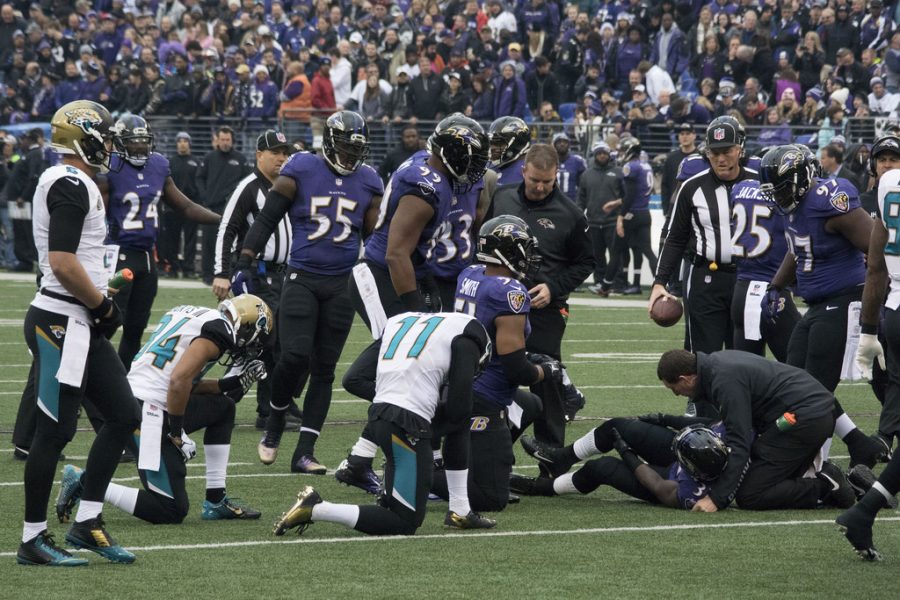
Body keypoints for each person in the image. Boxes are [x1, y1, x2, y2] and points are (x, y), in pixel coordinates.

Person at [16, 101, 140, 567]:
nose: (110, 144)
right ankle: (32, 538)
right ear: (82, 136)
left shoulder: (71, 180)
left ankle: (87, 521)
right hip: (60, 320)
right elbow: (62, 262)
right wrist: (102, 303)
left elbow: (74, 261)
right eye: (104, 136)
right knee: (55, 431)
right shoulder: (69, 181)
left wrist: (97, 297)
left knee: (122, 414)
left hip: (75, 318)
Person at [338, 115, 490, 492]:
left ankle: (360, 458)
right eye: (470, 159)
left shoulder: (435, 173)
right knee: (397, 368)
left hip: (409, 274)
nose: (475, 169)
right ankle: (403, 445)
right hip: (378, 275)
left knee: (419, 369)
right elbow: (395, 254)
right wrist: (414, 315)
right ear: (451, 153)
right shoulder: (426, 188)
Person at [233, 112, 383, 474]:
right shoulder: (300, 167)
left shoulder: (369, 180)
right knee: (295, 356)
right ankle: (273, 424)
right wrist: (245, 260)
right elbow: (268, 218)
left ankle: (305, 451)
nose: (351, 156)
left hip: (341, 283)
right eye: (346, 147)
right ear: (330, 143)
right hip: (302, 277)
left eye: (356, 149)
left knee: (325, 370)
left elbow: (373, 236)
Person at [54, 296, 271, 526]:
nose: (252, 344)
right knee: (170, 509)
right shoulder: (220, 330)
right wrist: (176, 434)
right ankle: (86, 482)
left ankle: (215, 500)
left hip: (140, 397)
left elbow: (183, 380)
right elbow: (178, 382)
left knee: (223, 407)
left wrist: (231, 384)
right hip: (146, 411)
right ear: (246, 324)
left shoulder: (194, 314)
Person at [271, 311, 493, 536]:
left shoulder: (402, 321)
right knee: (404, 522)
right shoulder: (471, 339)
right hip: (406, 424)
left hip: (379, 416)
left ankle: (460, 510)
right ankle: (317, 509)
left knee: (394, 507)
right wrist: (423, 415)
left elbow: (354, 378)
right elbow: (459, 409)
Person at [761, 145, 890, 467]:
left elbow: (878, 245)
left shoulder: (828, 199)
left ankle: (814, 465)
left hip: (844, 301)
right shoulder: (797, 205)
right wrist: (776, 286)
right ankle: (859, 444)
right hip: (817, 305)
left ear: (802, 178)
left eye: (781, 189)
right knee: (792, 382)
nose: (777, 197)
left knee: (812, 390)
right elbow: (799, 248)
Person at [431, 215, 550, 511]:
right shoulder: (508, 292)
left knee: (530, 405)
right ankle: (416, 473)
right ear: (507, 250)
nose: (530, 255)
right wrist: (546, 372)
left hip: (459, 380)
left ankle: (477, 461)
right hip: (484, 395)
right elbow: (515, 368)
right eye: (524, 248)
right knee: (490, 499)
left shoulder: (471, 273)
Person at [656, 349, 854, 511]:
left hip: (803, 420)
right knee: (757, 460)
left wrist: (716, 498)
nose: (677, 394)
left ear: (686, 379)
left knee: (750, 495)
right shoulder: (716, 364)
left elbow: (739, 441)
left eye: (674, 388)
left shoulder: (723, 381)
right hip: (805, 413)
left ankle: (825, 486)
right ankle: (833, 478)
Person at [489, 144, 594, 446]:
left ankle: (551, 455)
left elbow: (587, 262)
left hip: (544, 306)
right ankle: (488, 445)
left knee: (547, 377)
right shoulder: (502, 196)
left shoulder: (570, 214)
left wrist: (554, 288)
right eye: (535, 179)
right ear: (523, 170)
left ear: (556, 176)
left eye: (547, 181)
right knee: (491, 370)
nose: (540, 187)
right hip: (499, 301)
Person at [102, 115, 221, 367]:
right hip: (118, 254)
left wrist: (224, 220)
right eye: (133, 142)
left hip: (146, 258)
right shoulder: (109, 168)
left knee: (136, 328)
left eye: (144, 142)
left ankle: (123, 384)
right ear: (121, 144)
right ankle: (87, 384)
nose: (140, 148)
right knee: (106, 325)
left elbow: (185, 206)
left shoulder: (158, 165)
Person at [650, 116, 757, 377]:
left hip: (748, 280)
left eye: (727, 151)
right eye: (715, 152)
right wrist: (659, 281)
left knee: (746, 356)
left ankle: (749, 413)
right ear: (706, 153)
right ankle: (702, 413)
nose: (721, 159)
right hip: (705, 278)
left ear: (739, 149)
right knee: (703, 356)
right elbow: (675, 238)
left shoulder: (760, 183)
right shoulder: (692, 187)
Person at [213, 129, 295, 430]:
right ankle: (263, 408)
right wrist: (222, 272)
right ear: (259, 154)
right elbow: (227, 228)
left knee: (289, 341)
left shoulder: (290, 186)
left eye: (285, 153)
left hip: (283, 275)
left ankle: (280, 401)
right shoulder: (249, 187)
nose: (282, 158)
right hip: (255, 274)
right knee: (265, 340)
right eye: (275, 152)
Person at [840, 165, 900, 560]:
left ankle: (863, 512)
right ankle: (864, 511)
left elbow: (875, 265)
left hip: (894, 313)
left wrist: (870, 331)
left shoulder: (890, 182)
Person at [513, 417, 731, 510]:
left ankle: (543, 487)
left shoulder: (691, 493)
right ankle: (560, 459)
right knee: (619, 426)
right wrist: (663, 418)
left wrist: (626, 452)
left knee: (601, 467)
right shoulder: (734, 435)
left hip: (664, 478)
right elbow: (709, 422)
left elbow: (656, 485)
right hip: (695, 456)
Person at [729, 158, 800, 361]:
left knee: (747, 374)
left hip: (742, 290)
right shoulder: (782, 197)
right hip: (772, 292)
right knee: (800, 369)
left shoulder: (739, 189)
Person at [595, 137, 657, 296]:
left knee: (616, 251)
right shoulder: (646, 165)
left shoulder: (631, 166)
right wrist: (615, 203)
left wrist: (621, 217)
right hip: (644, 213)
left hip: (632, 215)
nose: (622, 153)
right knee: (648, 251)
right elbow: (636, 194)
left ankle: (605, 286)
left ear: (630, 150)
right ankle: (660, 284)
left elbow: (629, 196)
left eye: (623, 149)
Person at [197, 126, 250, 285]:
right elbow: (199, 179)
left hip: (232, 209)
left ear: (232, 141)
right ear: (217, 140)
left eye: (228, 140)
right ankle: (207, 275)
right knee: (208, 242)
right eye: (222, 140)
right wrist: (205, 197)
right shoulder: (209, 158)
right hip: (211, 208)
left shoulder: (240, 159)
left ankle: (227, 273)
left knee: (229, 242)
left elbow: (247, 181)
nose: (225, 143)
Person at [158, 131, 200, 278]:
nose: (182, 143)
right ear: (176, 144)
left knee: (190, 240)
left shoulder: (196, 162)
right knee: (172, 240)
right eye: (180, 141)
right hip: (172, 208)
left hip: (191, 207)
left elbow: (200, 184)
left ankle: (189, 269)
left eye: (185, 141)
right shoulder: (170, 162)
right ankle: (174, 268)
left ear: (189, 143)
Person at [488, 116, 531, 186]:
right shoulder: (489, 166)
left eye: (498, 143)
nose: (492, 147)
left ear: (517, 143)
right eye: (491, 142)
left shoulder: (528, 171)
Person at [553, 133, 586, 201]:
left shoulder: (577, 161)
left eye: (565, 142)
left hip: (572, 201)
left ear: (569, 145)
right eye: (559, 142)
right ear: (555, 145)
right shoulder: (549, 161)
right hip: (553, 201)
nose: (562, 144)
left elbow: (583, 185)